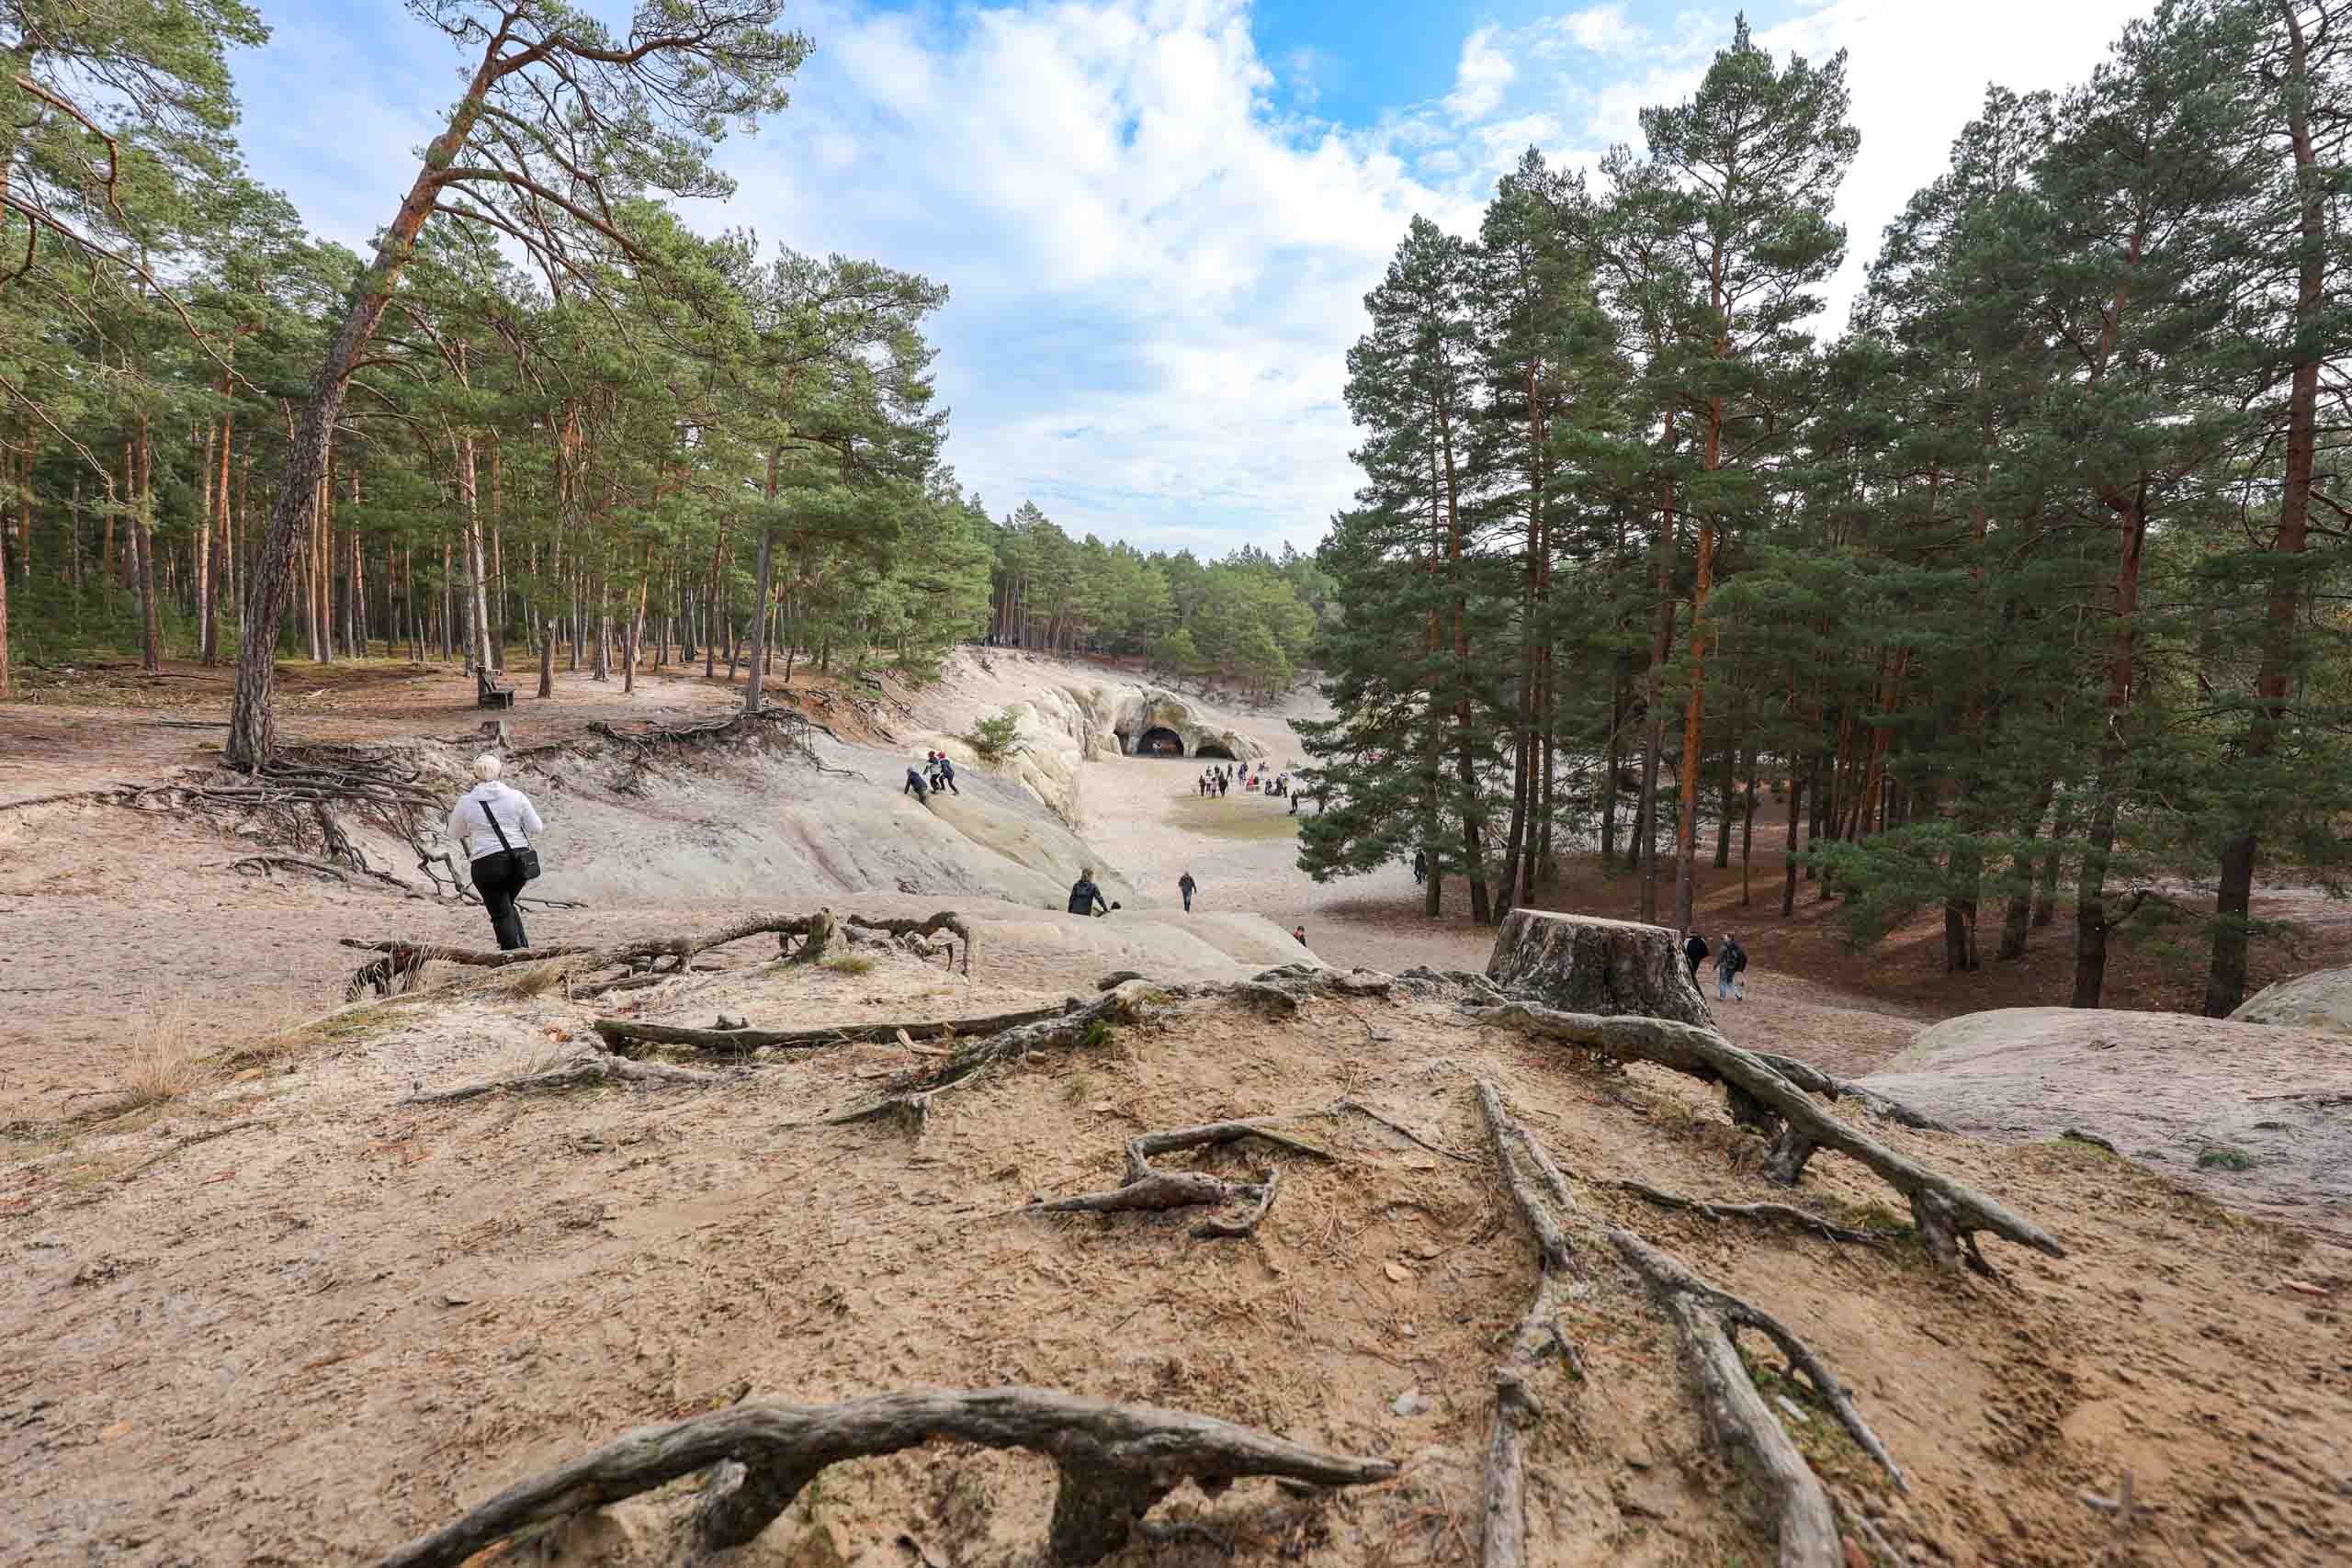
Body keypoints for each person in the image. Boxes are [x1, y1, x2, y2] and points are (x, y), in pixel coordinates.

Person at [447, 753, 545, 952]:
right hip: (519, 861)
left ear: (475, 774)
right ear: (500, 772)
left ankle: (512, 955)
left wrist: (473, 828)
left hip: (487, 863)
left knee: (500, 912)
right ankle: (523, 950)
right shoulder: (517, 796)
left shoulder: (466, 801)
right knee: (506, 905)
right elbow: (536, 828)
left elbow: (453, 833)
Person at [1716, 934, 1747, 1001]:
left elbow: (1720, 957)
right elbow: (1744, 957)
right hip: (1733, 967)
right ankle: (1738, 995)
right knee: (1730, 982)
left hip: (1724, 966)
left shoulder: (1724, 946)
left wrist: (1716, 965)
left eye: (1725, 936)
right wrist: (1740, 969)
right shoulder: (1737, 946)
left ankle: (1722, 997)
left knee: (1722, 981)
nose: (1724, 937)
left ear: (1729, 938)